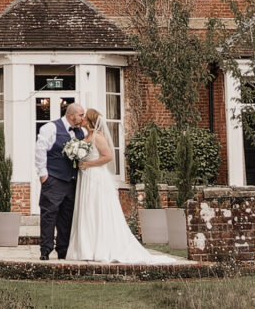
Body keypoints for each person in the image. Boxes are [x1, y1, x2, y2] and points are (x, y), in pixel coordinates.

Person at [65, 105, 175, 265]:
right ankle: (86, 249)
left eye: (84, 117)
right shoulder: (84, 136)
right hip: (86, 178)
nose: (81, 119)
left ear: (89, 120)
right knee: (87, 210)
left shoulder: (98, 137)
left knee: (97, 211)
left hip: (96, 178)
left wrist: (88, 165)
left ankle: (101, 249)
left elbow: (108, 156)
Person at [38, 101, 86, 261]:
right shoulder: (50, 128)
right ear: (71, 115)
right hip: (54, 179)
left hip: (72, 182)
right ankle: (45, 250)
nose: (83, 118)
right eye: (81, 115)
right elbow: (40, 150)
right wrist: (43, 174)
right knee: (49, 215)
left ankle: (63, 250)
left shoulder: (82, 132)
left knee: (67, 217)